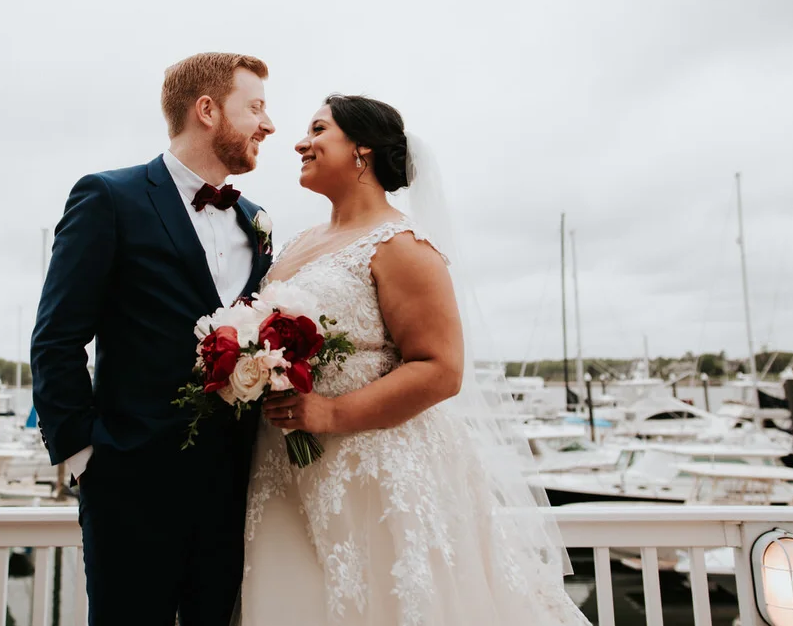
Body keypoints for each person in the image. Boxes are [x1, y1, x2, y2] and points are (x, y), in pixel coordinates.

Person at [241, 94, 591, 626]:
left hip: (370, 475)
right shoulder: (295, 245)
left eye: (318, 130)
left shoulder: (402, 246)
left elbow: (441, 368)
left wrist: (330, 414)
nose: (300, 142)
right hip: (283, 470)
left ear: (361, 150)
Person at [31, 52, 276, 626]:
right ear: (208, 110)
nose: (269, 125)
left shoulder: (257, 221)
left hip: (234, 492)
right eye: (257, 108)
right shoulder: (109, 198)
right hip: (129, 487)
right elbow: (57, 337)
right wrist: (86, 458)